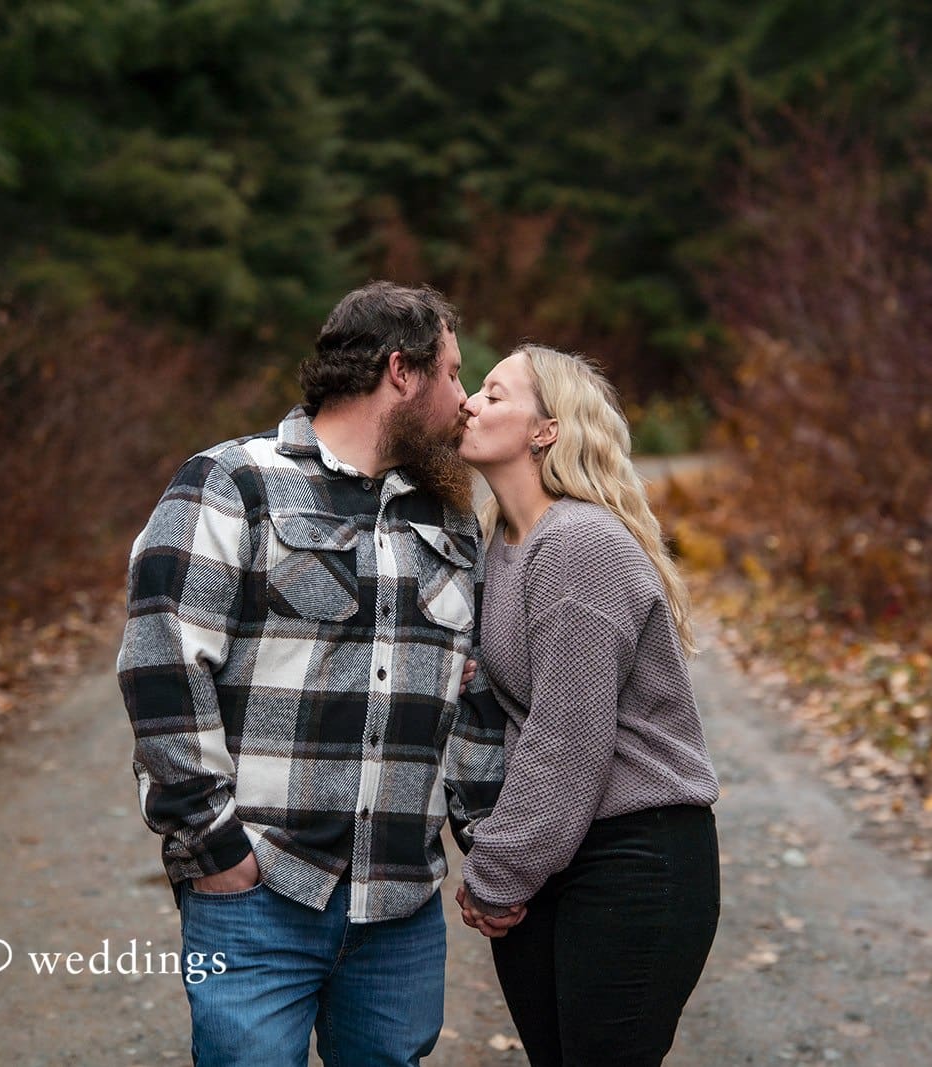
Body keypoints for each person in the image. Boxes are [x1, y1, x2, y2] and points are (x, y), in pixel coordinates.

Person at [116, 281, 508, 1067]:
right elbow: (162, 666)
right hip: (260, 893)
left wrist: (490, 847)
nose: (465, 399)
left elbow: (471, 700)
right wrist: (217, 847)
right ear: (402, 370)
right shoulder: (233, 481)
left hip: (399, 907)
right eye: (456, 374)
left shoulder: (450, 514)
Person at [453, 344, 722, 1067]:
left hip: (636, 854)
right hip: (560, 852)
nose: (470, 402)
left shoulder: (577, 545)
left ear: (546, 430)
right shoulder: (496, 541)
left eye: (495, 394)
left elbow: (568, 738)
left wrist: (497, 871)